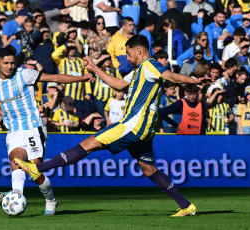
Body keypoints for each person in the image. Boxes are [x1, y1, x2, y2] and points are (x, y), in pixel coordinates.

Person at [14, 35, 210, 217]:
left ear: (139, 51)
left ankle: (38, 168)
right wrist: (96, 68)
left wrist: (193, 80)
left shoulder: (150, 65)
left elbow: (171, 76)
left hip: (132, 125)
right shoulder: (138, 71)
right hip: (143, 129)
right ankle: (186, 206)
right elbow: (117, 84)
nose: (127, 55)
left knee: (88, 144)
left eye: (128, 52)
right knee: (148, 169)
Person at [0, 47, 94, 215]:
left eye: (11, 63)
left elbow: (55, 77)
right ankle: (17, 195)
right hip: (14, 130)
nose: (9, 66)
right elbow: (4, 103)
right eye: (5, 63)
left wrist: (81, 78)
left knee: (34, 170)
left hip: (33, 128)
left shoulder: (25, 74)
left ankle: (51, 200)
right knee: (16, 161)